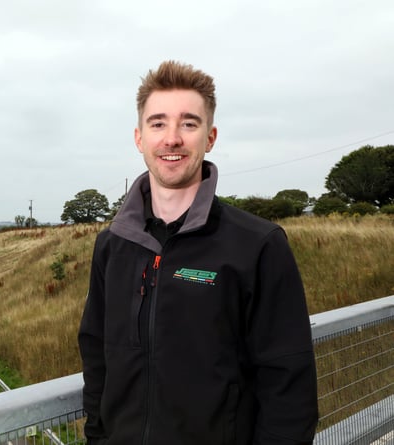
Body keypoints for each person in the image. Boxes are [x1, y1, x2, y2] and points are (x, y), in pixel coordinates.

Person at [78, 60, 318, 444]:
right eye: (158, 123)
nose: (172, 138)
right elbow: (96, 355)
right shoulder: (113, 245)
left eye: (189, 124)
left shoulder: (257, 245)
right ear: (139, 138)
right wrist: (98, 436)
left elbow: (288, 383)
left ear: (210, 137)